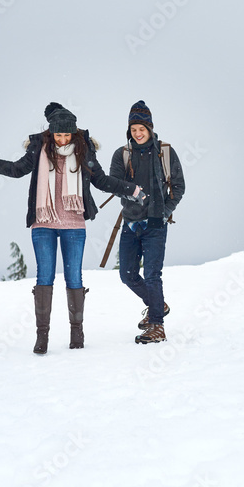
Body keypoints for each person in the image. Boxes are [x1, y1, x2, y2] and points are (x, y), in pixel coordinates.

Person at [0, 103, 143, 355]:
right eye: (57, 135)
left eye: (66, 135)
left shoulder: (84, 151)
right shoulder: (39, 149)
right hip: (43, 224)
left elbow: (102, 181)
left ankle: (77, 333)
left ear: (73, 133)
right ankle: (42, 336)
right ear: (50, 133)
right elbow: (16, 170)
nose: (62, 140)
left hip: (74, 224)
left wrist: (132, 189)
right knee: (44, 278)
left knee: (74, 279)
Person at [109, 101, 185, 344]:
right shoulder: (122, 154)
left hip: (155, 222)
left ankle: (157, 326)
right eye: (133, 130)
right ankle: (156, 305)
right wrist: (131, 191)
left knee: (152, 275)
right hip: (130, 223)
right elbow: (113, 184)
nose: (137, 134)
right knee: (127, 274)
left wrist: (165, 211)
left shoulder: (165, 152)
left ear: (150, 129)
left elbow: (179, 186)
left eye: (141, 129)